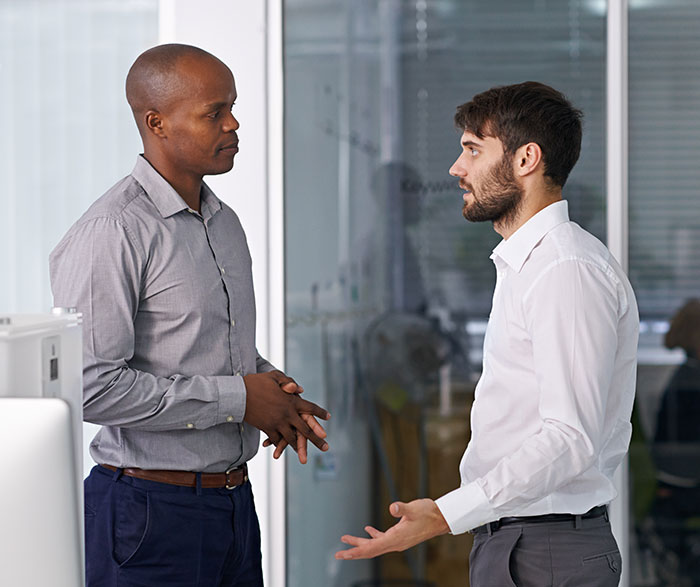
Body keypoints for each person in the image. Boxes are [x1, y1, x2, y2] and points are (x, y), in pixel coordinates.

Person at [335, 81, 639, 587]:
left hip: (544, 549)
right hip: (520, 540)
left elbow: (569, 438)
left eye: (473, 150)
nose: (457, 168)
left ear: (526, 159)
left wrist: (447, 513)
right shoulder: (529, 264)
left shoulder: (564, 269)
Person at [50, 43, 329, 587]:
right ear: (156, 123)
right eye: (214, 112)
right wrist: (242, 397)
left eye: (232, 106)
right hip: (146, 516)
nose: (233, 123)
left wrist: (268, 385)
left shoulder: (223, 222)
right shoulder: (112, 232)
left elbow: (206, 346)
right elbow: (88, 387)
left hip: (231, 506)